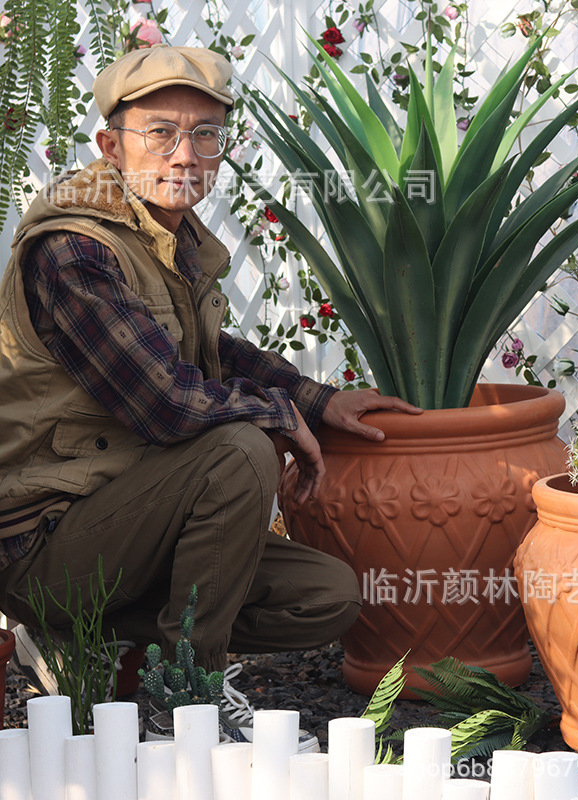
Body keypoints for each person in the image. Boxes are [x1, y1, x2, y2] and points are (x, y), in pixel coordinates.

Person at [0, 44, 421, 736]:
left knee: (326, 596)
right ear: (111, 145)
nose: (185, 154)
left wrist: (318, 400)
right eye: (160, 133)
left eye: (205, 135)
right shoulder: (75, 249)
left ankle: (93, 638)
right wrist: (279, 418)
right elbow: (166, 403)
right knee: (240, 450)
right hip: (45, 545)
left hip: (124, 525)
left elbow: (208, 352)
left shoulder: (167, 236)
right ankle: (182, 699)